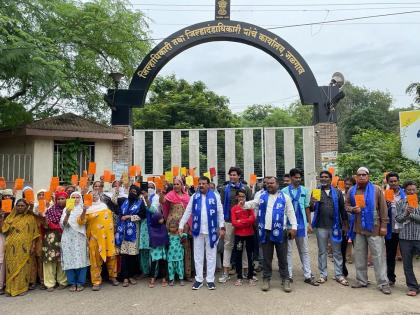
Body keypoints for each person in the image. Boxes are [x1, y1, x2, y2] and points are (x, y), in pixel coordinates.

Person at [244, 176, 297, 292]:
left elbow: (290, 213)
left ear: (277, 184)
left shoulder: (285, 197)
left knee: (282, 257)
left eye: (272, 183)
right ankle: (266, 279)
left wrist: (293, 227)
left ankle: (286, 279)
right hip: (265, 232)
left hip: (280, 232)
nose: (269, 185)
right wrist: (244, 204)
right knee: (267, 258)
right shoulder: (261, 196)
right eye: (267, 183)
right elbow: (253, 203)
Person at [346, 167, 391, 295]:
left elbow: (383, 208)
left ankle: (383, 283)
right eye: (359, 175)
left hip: (375, 229)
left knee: (378, 257)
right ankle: (361, 280)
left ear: (368, 176)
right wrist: (352, 209)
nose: (361, 177)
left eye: (364, 175)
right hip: (358, 229)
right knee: (360, 256)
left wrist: (383, 226)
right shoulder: (352, 190)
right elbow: (346, 205)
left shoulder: (376, 190)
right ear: (356, 177)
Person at [179, 176, 225, 290]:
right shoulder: (194, 196)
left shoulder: (215, 196)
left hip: (212, 230)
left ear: (209, 185)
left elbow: (220, 212)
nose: (201, 185)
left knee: (211, 256)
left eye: (204, 183)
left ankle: (210, 280)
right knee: (198, 255)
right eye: (199, 183)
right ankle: (199, 279)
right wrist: (181, 225)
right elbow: (188, 211)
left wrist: (222, 227)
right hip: (197, 230)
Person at [282, 168, 319, 286]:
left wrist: (309, 223)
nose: (298, 179)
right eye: (296, 177)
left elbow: (307, 207)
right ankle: (289, 275)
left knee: (304, 251)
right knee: (288, 251)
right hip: (288, 225)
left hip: (302, 224)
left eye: (299, 178)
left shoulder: (305, 190)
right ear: (291, 178)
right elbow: (282, 210)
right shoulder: (283, 191)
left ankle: (308, 275)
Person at [311, 171, 348, 286]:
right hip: (321, 226)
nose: (324, 179)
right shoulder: (316, 191)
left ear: (331, 179)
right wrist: (312, 202)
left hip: (335, 226)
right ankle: (323, 274)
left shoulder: (337, 192)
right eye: (322, 177)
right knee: (322, 251)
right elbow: (312, 209)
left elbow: (342, 209)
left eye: (326, 177)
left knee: (337, 252)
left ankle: (339, 275)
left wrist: (345, 225)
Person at [78, 192, 119, 291]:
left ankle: (113, 277)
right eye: (91, 195)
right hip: (95, 238)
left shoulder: (104, 206)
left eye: (96, 194)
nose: (94, 196)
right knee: (95, 260)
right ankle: (96, 281)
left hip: (109, 238)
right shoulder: (87, 209)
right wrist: (84, 210)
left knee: (112, 258)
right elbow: (80, 221)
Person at [219, 166, 252, 283]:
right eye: (231, 175)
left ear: (239, 176)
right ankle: (226, 272)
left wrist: (247, 220)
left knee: (243, 247)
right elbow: (221, 206)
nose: (232, 177)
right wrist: (222, 224)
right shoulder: (224, 189)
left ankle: (245, 271)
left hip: (243, 222)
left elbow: (250, 205)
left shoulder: (246, 189)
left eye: (234, 175)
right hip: (228, 221)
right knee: (228, 246)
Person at [2, 199, 40, 296]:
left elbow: (35, 233)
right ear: (15, 206)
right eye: (18, 205)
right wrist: (1, 218)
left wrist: (33, 245)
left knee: (24, 268)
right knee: (11, 267)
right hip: (11, 247)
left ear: (26, 206)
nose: (20, 207)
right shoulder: (10, 218)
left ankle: (22, 288)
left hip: (25, 247)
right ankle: (10, 288)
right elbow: (3, 229)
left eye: (22, 205)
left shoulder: (30, 218)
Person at [115, 184, 147, 287]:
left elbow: (142, 215)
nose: (132, 193)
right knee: (124, 255)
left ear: (137, 193)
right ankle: (125, 277)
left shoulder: (140, 202)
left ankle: (131, 276)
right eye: (131, 191)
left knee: (132, 255)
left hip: (134, 231)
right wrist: (116, 189)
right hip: (123, 231)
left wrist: (130, 217)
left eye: (134, 192)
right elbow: (114, 201)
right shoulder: (124, 201)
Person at [162, 177, 192, 281]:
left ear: (182, 185)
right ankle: (170, 274)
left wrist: (188, 225)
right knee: (170, 248)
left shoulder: (187, 197)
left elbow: (190, 212)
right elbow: (163, 202)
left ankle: (187, 274)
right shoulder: (170, 195)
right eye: (174, 184)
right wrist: (162, 193)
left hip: (184, 226)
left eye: (177, 184)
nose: (175, 186)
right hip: (172, 226)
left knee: (185, 247)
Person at [59, 192, 90, 292]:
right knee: (69, 258)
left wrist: (84, 211)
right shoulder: (65, 209)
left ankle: (80, 283)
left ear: (80, 198)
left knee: (81, 259)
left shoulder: (83, 208)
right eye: (73, 197)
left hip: (80, 237)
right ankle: (72, 283)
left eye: (77, 197)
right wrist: (68, 214)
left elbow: (83, 222)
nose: (76, 199)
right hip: (68, 237)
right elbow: (63, 225)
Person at [395, 180, 420, 296]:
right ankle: (413, 287)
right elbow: (398, 219)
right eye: (408, 190)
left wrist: (412, 215)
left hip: (419, 237)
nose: (411, 191)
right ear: (405, 191)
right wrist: (405, 213)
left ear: (416, 190)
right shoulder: (400, 203)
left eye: (413, 189)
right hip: (405, 237)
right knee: (407, 264)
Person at [42, 191, 68, 292]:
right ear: (55, 200)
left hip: (65, 236)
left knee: (62, 259)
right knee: (49, 259)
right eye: (58, 199)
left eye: (63, 198)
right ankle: (49, 283)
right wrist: (45, 218)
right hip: (51, 237)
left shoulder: (69, 210)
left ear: (67, 199)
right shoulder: (50, 210)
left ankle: (63, 281)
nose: (60, 200)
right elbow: (45, 224)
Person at [384, 172, 406, 286]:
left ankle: (410, 281)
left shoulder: (406, 194)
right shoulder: (384, 194)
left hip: (404, 230)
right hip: (391, 230)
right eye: (391, 181)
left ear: (398, 181)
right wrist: (386, 205)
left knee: (406, 256)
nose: (393, 183)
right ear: (388, 182)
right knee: (390, 255)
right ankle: (390, 278)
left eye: (395, 181)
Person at [231, 188, 256, 286]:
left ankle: (250, 277)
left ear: (246, 197)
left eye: (243, 196)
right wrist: (246, 221)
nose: (241, 198)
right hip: (239, 235)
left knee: (250, 255)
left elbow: (252, 219)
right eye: (240, 196)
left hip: (250, 234)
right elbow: (234, 222)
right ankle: (239, 277)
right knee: (238, 255)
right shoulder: (234, 209)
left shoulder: (249, 207)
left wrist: (240, 221)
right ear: (237, 197)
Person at [139, 181, 160, 276]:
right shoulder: (140, 197)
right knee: (144, 249)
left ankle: (154, 272)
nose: (150, 188)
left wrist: (147, 199)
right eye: (148, 187)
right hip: (143, 225)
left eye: (152, 187)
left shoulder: (156, 197)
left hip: (153, 225)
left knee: (153, 249)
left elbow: (154, 210)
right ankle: (145, 271)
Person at [148, 211, 169, 288]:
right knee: (153, 265)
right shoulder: (152, 228)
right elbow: (151, 238)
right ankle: (152, 278)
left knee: (162, 264)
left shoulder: (163, 227)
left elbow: (166, 236)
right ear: (156, 219)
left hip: (162, 250)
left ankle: (163, 279)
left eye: (162, 218)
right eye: (160, 218)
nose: (162, 219)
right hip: (155, 250)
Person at [167, 219, 187, 286]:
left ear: (177, 227)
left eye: (174, 227)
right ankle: (172, 280)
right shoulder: (168, 235)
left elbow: (185, 236)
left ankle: (181, 279)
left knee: (180, 267)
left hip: (178, 254)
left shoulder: (179, 234)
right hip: (170, 255)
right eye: (171, 227)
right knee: (171, 268)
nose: (172, 229)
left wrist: (181, 233)